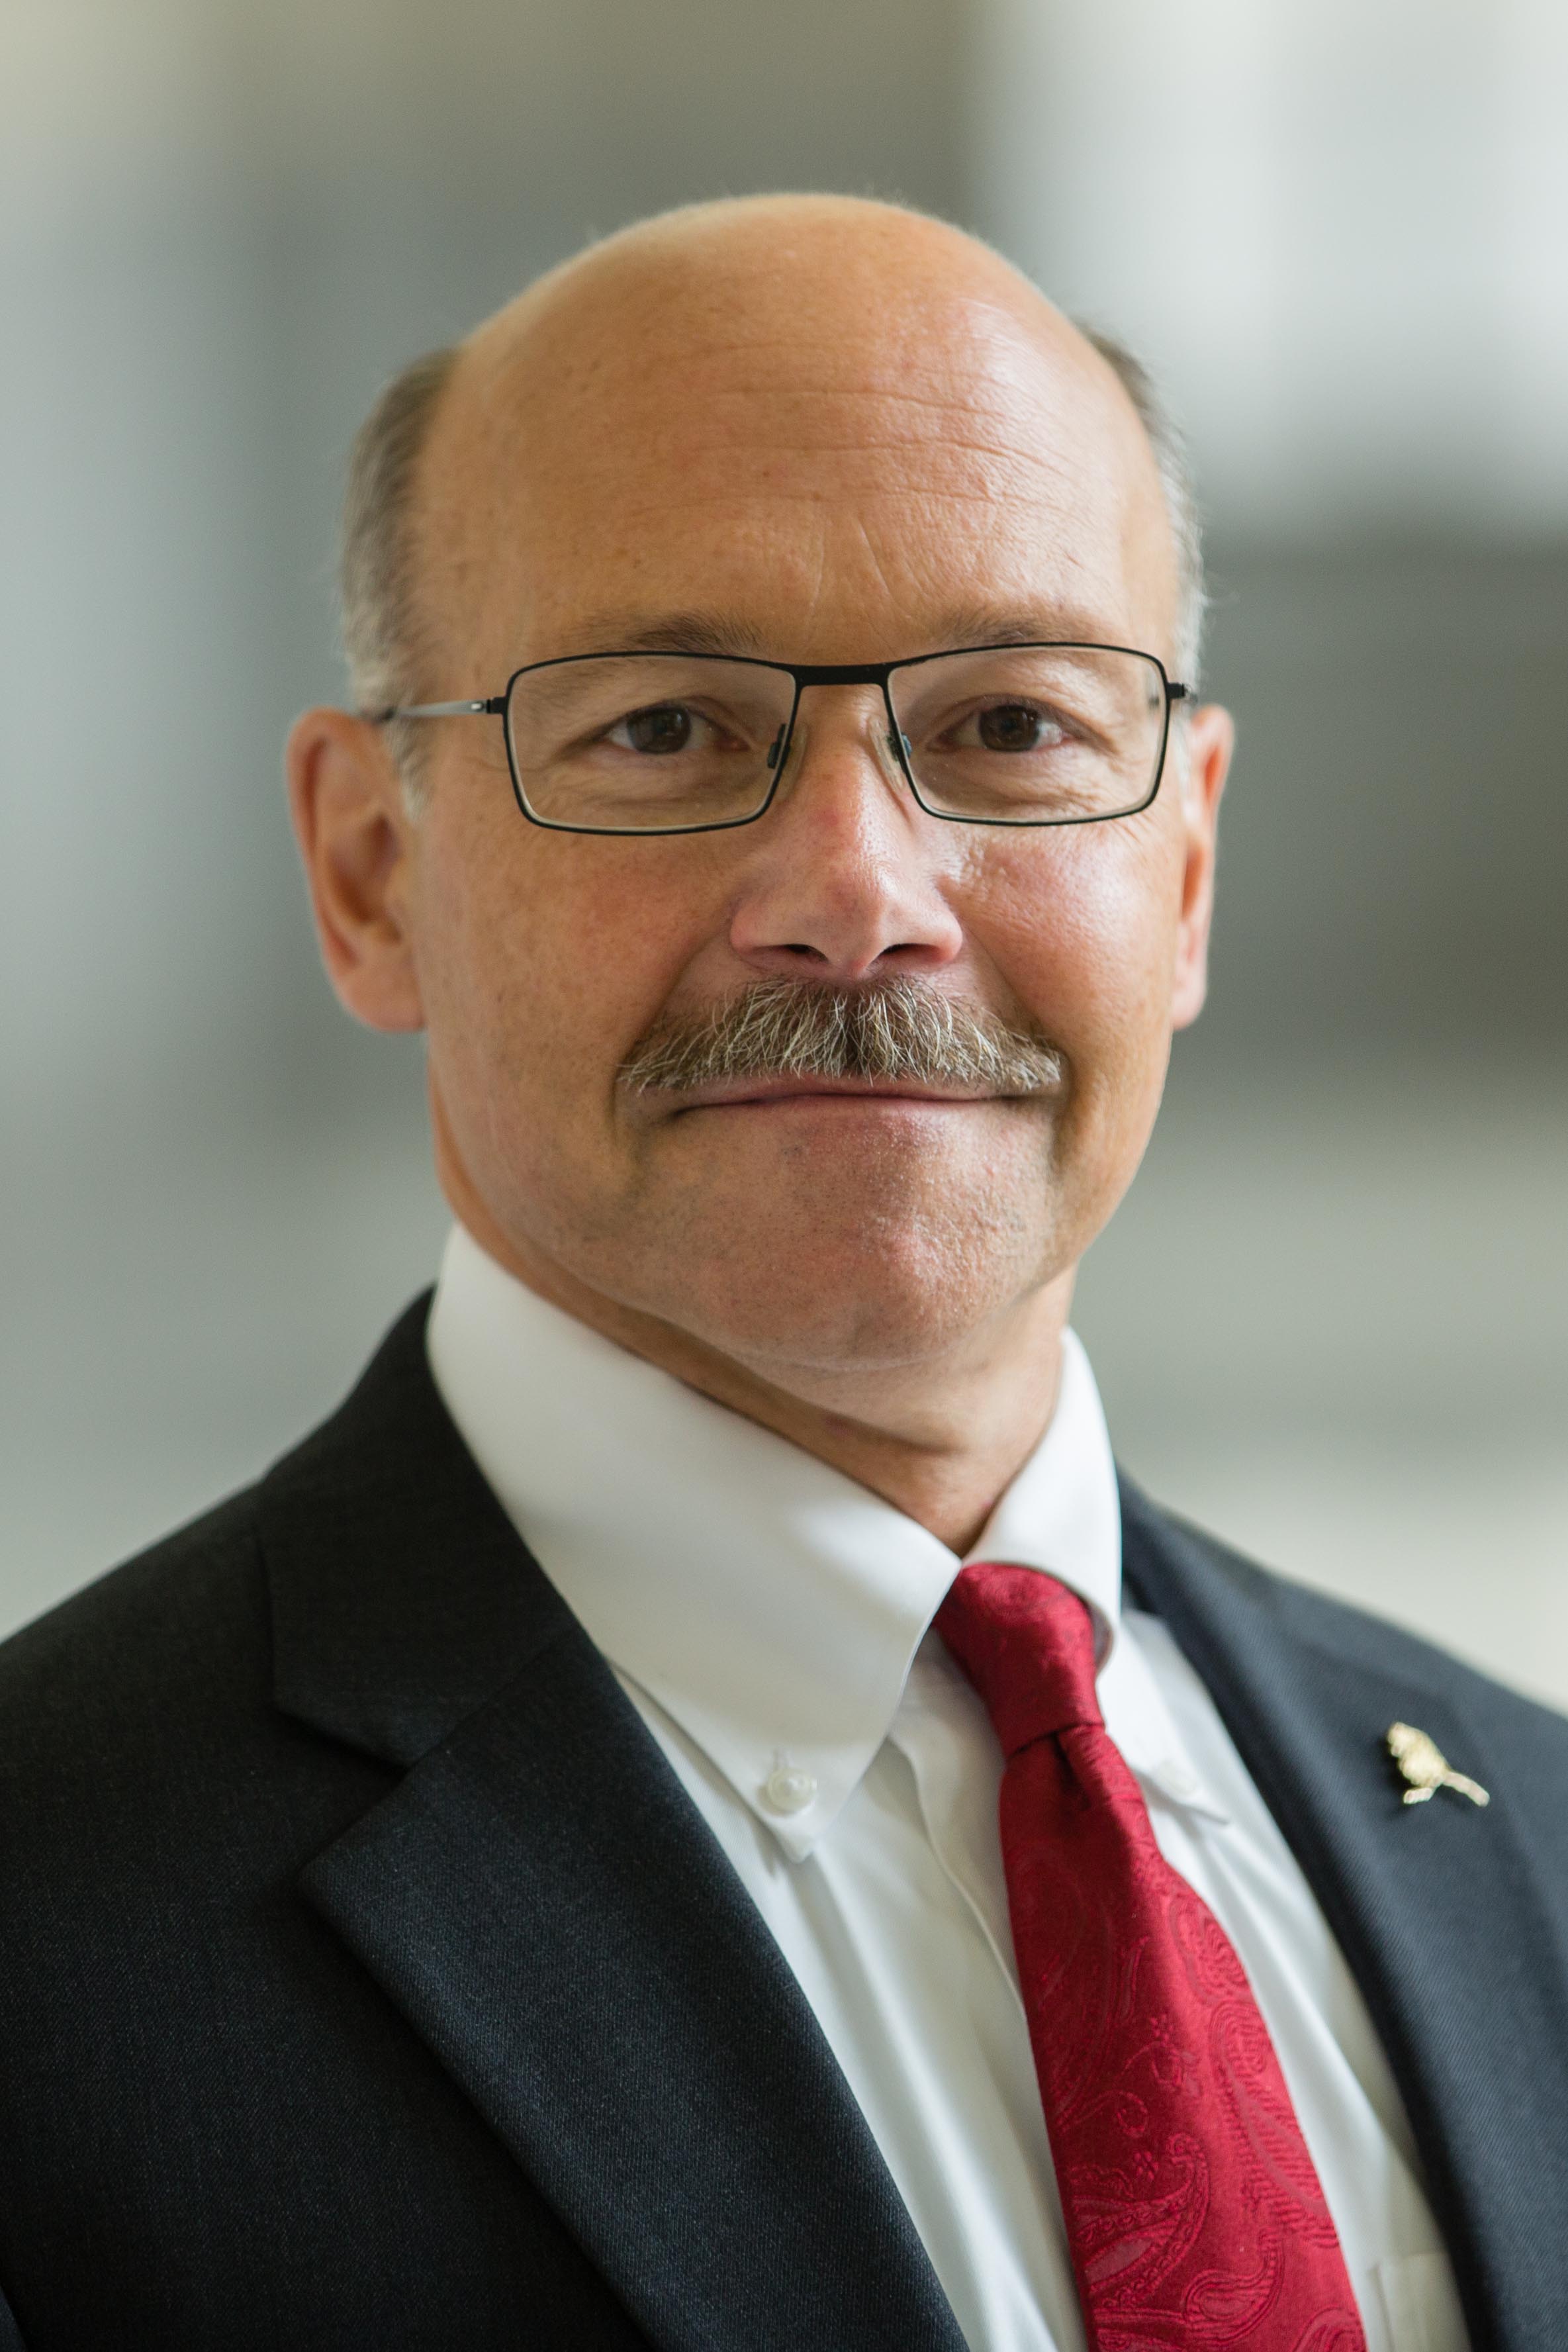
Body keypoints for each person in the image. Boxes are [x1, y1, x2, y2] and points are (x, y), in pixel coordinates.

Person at [0, 196, 1562, 2352]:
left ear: (1184, 865)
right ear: (370, 872)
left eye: (1011, 722)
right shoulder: (47, 1943)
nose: (857, 889)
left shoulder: (1533, 1831)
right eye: (663, 726)